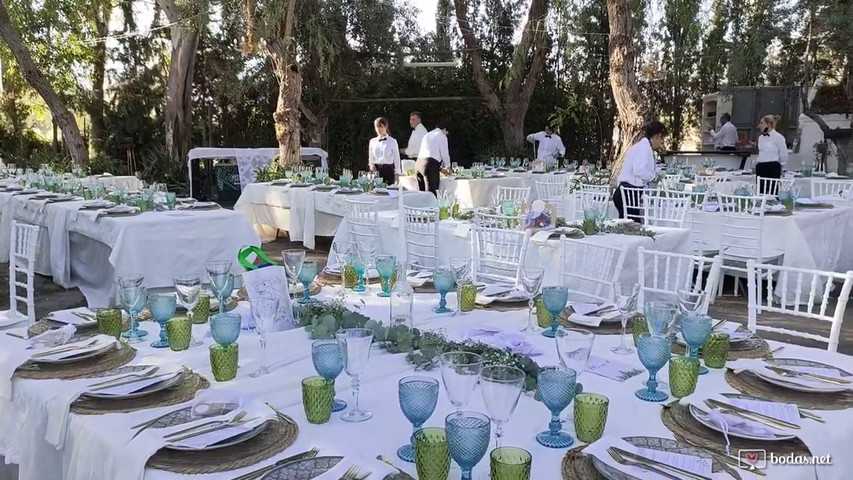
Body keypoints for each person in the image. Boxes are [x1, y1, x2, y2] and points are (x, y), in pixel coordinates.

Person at [612, 120, 668, 222]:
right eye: (662, 139)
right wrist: (654, 177)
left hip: (624, 191)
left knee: (627, 228)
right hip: (629, 193)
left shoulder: (641, 146)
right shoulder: (644, 148)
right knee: (634, 228)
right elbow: (639, 170)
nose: (661, 142)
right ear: (657, 136)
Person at [416, 119, 450, 196]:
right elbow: (444, 154)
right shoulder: (441, 135)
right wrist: (448, 167)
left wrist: (441, 169)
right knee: (431, 194)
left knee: (422, 194)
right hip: (429, 165)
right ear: (445, 129)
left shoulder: (428, 135)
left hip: (418, 163)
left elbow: (430, 154)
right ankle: (433, 207)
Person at [755, 114, 788, 195]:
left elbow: (783, 154)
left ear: (768, 124)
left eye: (762, 123)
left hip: (772, 167)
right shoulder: (761, 138)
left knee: (772, 191)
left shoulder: (779, 138)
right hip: (761, 167)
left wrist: (781, 166)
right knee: (760, 192)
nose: (759, 126)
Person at [367, 117, 401, 186]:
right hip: (376, 170)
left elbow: (396, 158)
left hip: (388, 169)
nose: (379, 129)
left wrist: (397, 173)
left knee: (389, 191)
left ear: (386, 126)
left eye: (381, 127)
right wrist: (372, 167)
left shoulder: (392, 141)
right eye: (377, 127)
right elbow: (371, 157)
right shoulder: (372, 141)